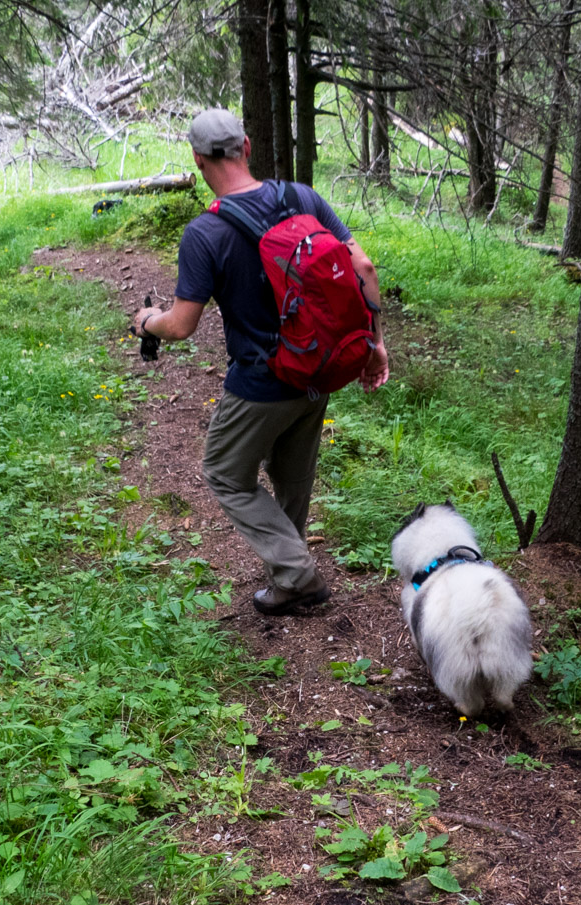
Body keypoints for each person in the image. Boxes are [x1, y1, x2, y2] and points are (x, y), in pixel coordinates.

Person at [132, 108, 390, 616]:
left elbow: (181, 326)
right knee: (293, 475)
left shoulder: (205, 233)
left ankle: (296, 573)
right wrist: (374, 343)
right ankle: (289, 574)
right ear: (246, 146)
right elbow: (362, 265)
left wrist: (148, 321)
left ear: (198, 159)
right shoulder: (301, 198)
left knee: (225, 471)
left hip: (261, 380)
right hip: (321, 368)